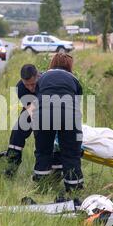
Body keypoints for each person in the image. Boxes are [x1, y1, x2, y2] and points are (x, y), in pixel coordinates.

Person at [32, 53, 83, 192]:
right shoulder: (73, 79)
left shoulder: (42, 78)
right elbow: (77, 102)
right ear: (69, 65)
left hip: (43, 115)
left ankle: (41, 186)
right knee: (71, 153)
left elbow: (37, 97)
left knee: (43, 151)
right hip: (69, 115)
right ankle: (74, 188)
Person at [5, 64, 40, 177]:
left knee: (44, 136)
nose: (30, 88)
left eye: (33, 84)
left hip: (52, 110)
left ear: (38, 76)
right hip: (33, 109)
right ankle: (11, 167)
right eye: (27, 85)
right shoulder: (20, 87)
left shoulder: (45, 81)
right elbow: (31, 111)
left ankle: (45, 170)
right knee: (17, 132)